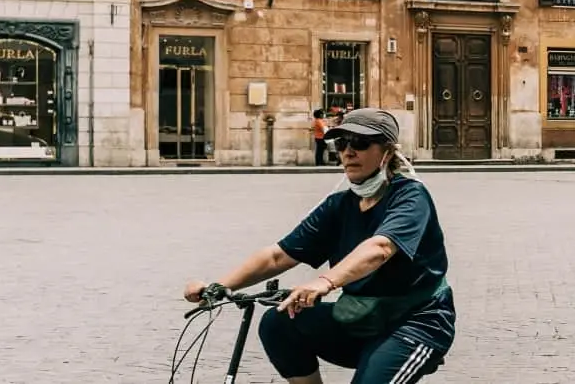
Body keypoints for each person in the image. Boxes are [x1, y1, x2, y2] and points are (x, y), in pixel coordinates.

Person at [183, 109, 452, 384]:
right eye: (341, 143)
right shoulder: (339, 206)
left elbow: (380, 248)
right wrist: (217, 287)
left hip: (416, 322)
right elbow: (278, 256)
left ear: (387, 151)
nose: (348, 152)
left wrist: (325, 282)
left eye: (359, 143)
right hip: (361, 319)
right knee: (279, 323)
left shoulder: (409, 196)